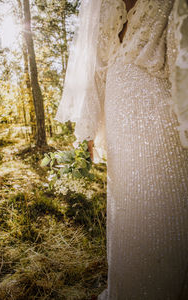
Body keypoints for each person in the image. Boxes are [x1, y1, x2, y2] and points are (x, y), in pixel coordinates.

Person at [55, 0, 188, 299]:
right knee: (128, 210)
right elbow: (94, 64)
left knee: (166, 210)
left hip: (162, 112)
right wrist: (88, 128)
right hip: (118, 118)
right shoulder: (100, 4)